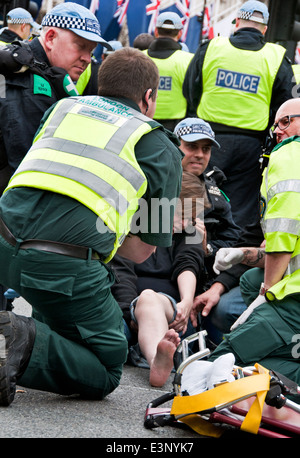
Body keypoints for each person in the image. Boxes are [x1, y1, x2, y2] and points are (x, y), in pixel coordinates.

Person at [0, 47, 183, 407]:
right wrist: (108, 230)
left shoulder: (62, 108)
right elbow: (143, 250)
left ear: (101, 84)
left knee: (58, 314)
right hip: (61, 266)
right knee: (108, 363)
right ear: (149, 97)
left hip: (3, 241)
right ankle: (14, 338)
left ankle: (23, 342)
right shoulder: (161, 146)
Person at [207, 98, 300, 403]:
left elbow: (283, 233)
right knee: (248, 282)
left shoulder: (290, 155)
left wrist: (268, 295)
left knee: (215, 368)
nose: (278, 131)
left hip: (295, 299)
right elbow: (280, 244)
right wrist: (243, 255)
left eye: (286, 121)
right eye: (276, 124)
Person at [183, 0, 295, 230]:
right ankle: (231, 258)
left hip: (209, 141)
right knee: (241, 208)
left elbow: (190, 89)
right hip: (250, 146)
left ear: (236, 23)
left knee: (199, 199)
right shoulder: (276, 56)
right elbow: (285, 104)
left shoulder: (212, 47)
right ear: (264, 29)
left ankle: (196, 249)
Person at [0, 2, 112, 195]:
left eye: (91, 51)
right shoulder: (29, 84)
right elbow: (28, 172)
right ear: (50, 38)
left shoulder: (36, 67)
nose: (87, 58)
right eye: (81, 46)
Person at [122, 171, 210, 387]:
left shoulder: (188, 231)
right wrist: (129, 316)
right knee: (144, 300)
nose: (187, 222)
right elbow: (120, 273)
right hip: (129, 313)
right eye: (182, 215)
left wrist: (187, 300)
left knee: (150, 298)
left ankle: (157, 360)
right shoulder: (132, 228)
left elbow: (188, 262)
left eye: (192, 216)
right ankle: (156, 357)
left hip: (174, 314)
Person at [191, 221, 264, 336]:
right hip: (268, 271)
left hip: (289, 282)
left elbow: (277, 254)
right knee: (224, 309)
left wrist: (266, 293)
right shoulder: (272, 205)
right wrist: (217, 287)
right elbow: (253, 242)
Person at [143, 11, 194, 130]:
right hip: (175, 126)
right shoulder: (188, 60)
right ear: (180, 33)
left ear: (156, 31)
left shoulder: (139, 58)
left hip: (142, 121)